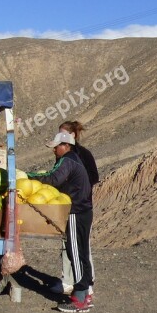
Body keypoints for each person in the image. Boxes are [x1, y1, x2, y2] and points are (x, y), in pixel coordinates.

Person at [29, 131, 94, 313]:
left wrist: (30, 177)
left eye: (56, 147)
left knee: (75, 252)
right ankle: (85, 295)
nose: (54, 151)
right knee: (82, 252)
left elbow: (53, 179)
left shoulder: (68, 161)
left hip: (75, 212)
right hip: (84, 211)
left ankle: (80, 298)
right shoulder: (74, 159)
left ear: (65, 145)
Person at [48, 121, 99, 297]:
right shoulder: (64, 156)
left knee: (79, 248)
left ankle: (85, 285)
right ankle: (69, 281)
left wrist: (77, 192)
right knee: (70, 246)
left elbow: (92, 177)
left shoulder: (80, 155)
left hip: (78, 206)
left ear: (71, 137)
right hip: (69, 205)